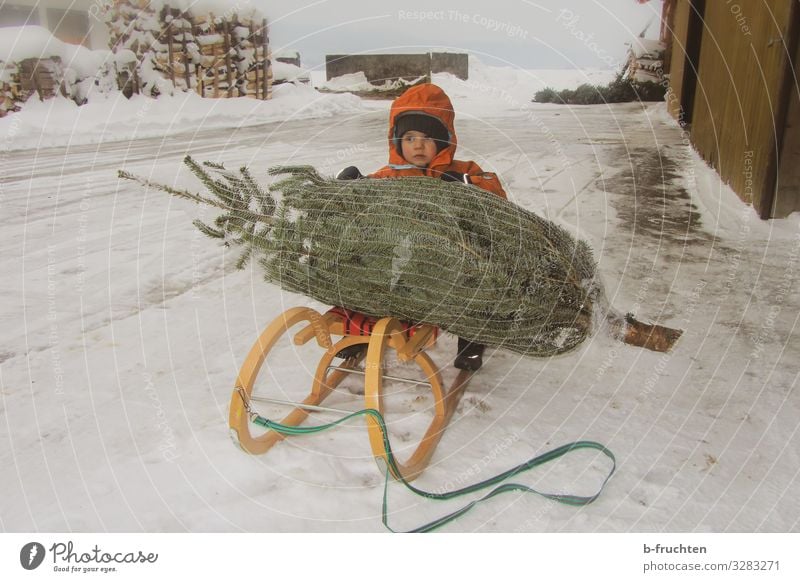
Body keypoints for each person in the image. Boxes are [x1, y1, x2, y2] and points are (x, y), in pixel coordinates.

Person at [336, 83, 507, 371]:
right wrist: (355, 182)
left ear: (444, 140)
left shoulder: (462, 170)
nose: (418, 145)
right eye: (410, 137)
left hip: (455, 251)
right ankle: (360, 333)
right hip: (412, 255)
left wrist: (467, 184)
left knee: (473, 280)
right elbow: (371, 189)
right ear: (397, 141)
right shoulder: (393, 175)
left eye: (428, 137)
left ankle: (472, 340)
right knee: (371, 269)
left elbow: (494, 188)